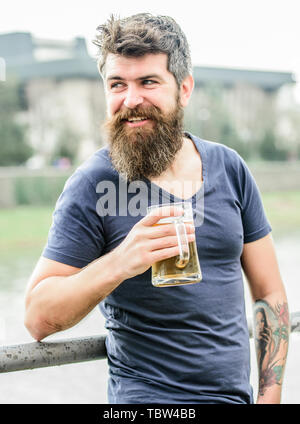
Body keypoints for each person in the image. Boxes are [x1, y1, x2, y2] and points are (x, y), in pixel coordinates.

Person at [24, 13, 289, 404]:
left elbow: (269, 293)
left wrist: (269, 399)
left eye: (148, 82)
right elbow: (36, 317)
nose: (131, 100)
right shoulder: (92, 183)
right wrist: (122, 261)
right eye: (117, 84)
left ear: (184, 88)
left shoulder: (230, 168)